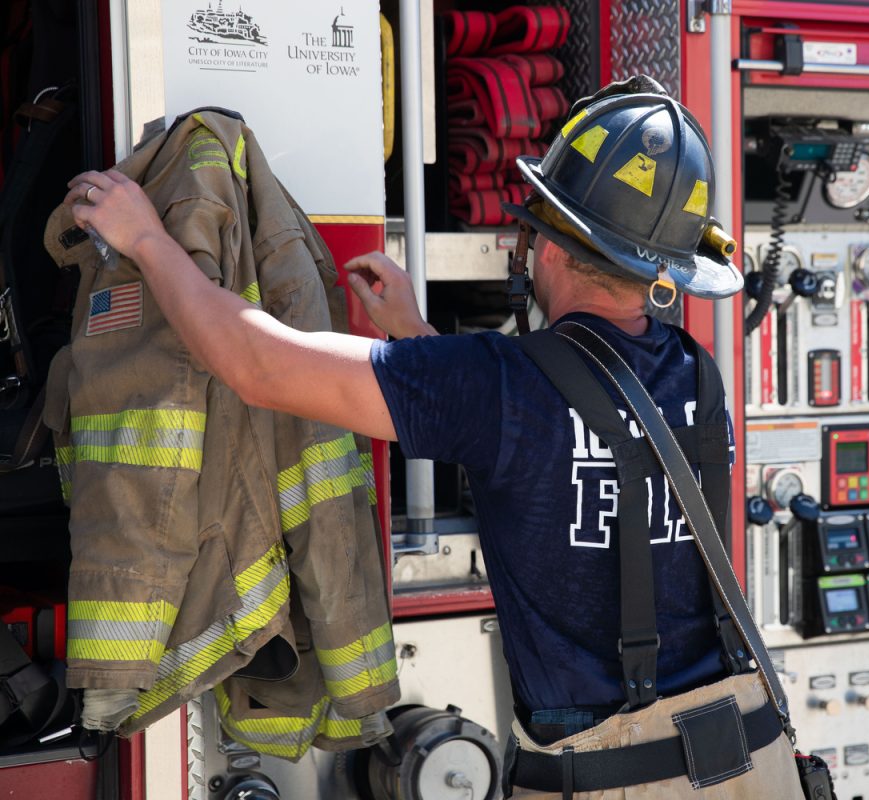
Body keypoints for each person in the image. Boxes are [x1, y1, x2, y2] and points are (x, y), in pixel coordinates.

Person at [65, 78, 803, 797]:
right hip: (747, 763)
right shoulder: (695, 376)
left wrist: (149, 241)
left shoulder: (497, 385)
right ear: (664, 273)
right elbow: (557, 437)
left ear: (541, 242)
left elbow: (258, 367)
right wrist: (415, 342)